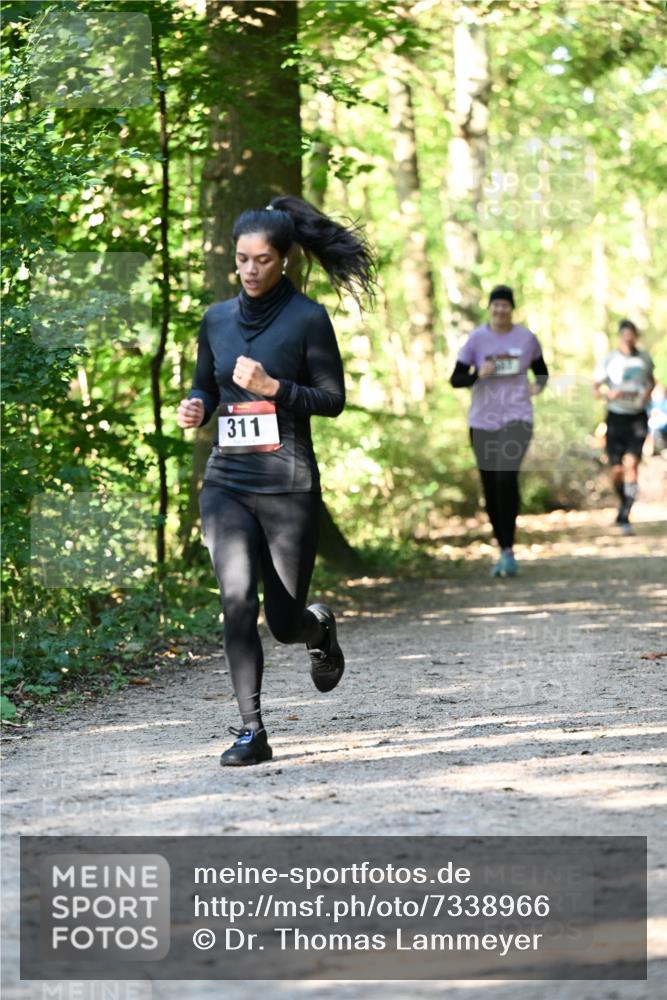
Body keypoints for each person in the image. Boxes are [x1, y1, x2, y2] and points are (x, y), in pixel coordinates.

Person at [177, 196, 375, 767]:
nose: (250, 270)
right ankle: (252, 731)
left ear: (283, 259)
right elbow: (206, 385)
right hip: (227, 483)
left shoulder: (307, 318)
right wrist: (197, 406)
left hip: (287, 486)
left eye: (262, 260)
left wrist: (275, 388)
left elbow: (332, 399)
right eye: (242, 259)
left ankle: (318, 629)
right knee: (237, 600)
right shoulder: (216, 320)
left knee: (284, 623)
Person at [449, 285, 549, 577]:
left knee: (506, 477)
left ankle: (508, 548)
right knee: (491, 485)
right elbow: (455, 378)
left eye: (505, 305)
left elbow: (542, 371)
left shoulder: (526, 339)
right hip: (482, 421)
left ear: (511, 309)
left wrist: (537, 387)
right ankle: (504, 549)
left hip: (518, 417)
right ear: (490, 308)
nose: (500, 310)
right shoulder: (477, 339)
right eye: (496, 305)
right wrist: (476, 375)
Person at [593, 320, 655, 535]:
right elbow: (595, 389)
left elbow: (652, 381)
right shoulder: (609, 359)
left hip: (638, 417)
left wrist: (646, 395)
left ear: (636, 336)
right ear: (620, 337)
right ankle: (623, 504)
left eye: (632, 335)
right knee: (617, 470)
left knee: (632, 465)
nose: (629, 339)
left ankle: (625, 514)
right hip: (615, 418)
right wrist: (609, 394)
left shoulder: (644, 359)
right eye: (625, 335)